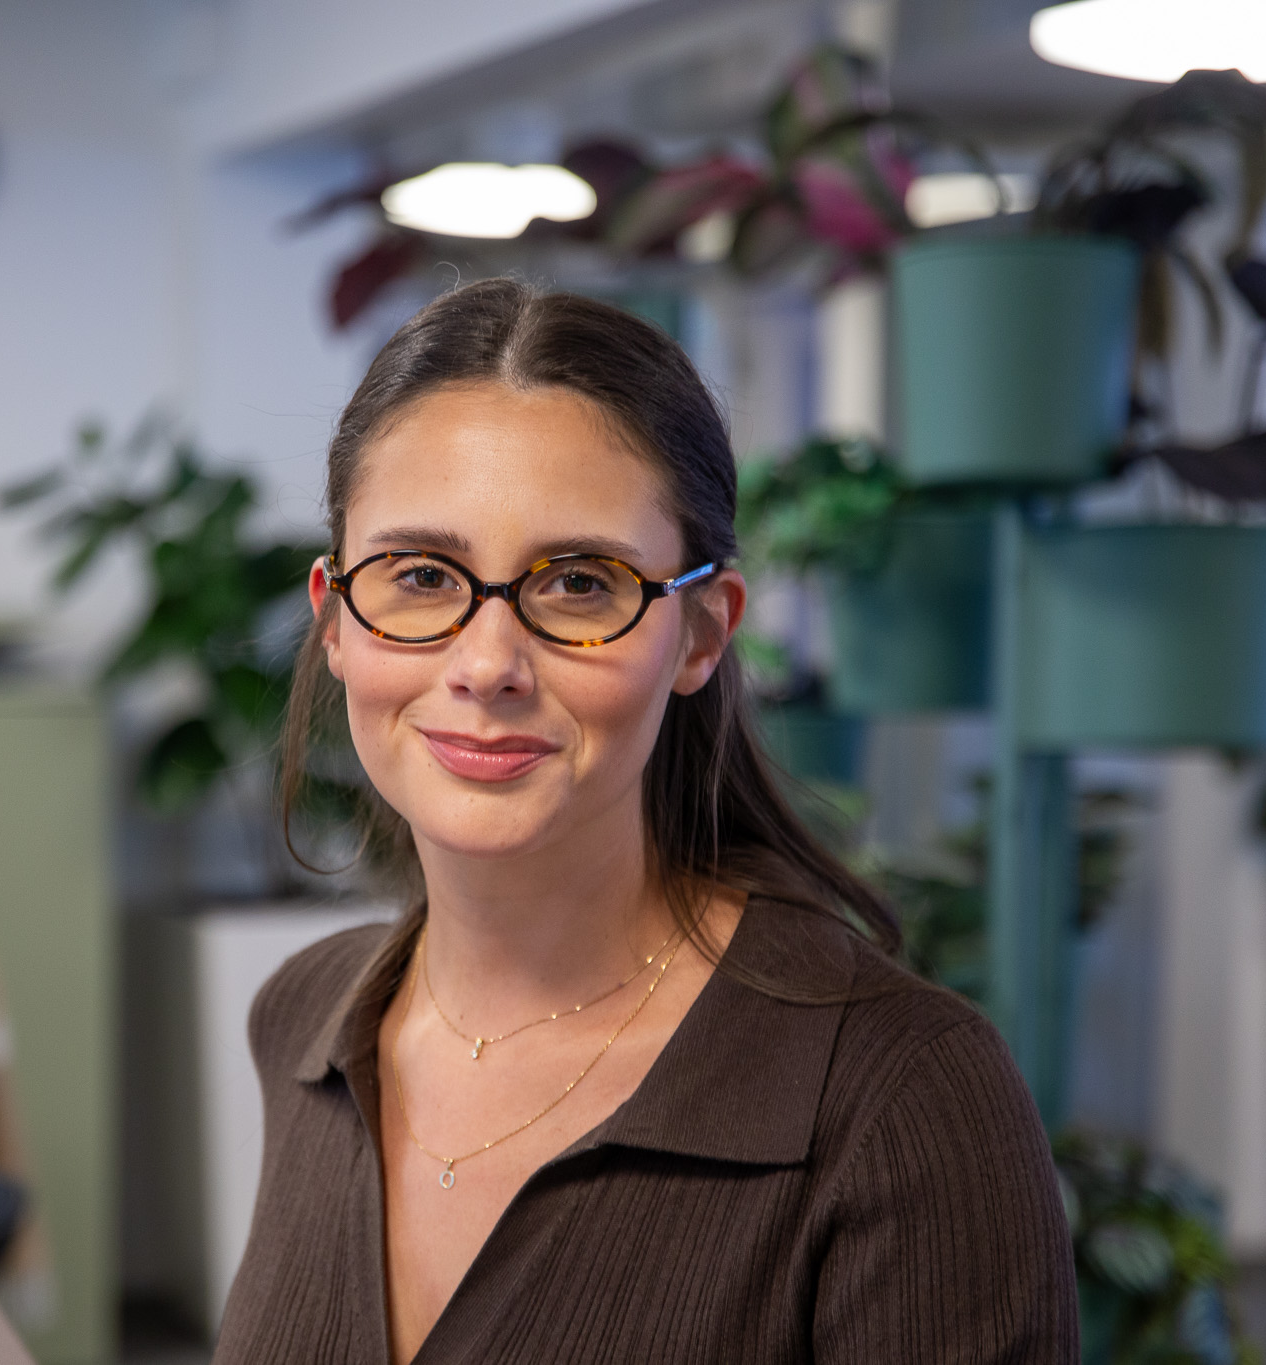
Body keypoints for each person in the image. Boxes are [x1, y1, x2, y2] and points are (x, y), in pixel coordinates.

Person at [215, 279, 1078, 1364]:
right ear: (336, 619)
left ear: (702, 634)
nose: (486, 665)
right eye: (422, 574)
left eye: (580, 583)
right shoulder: (306, 1023)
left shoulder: (897, 1094)